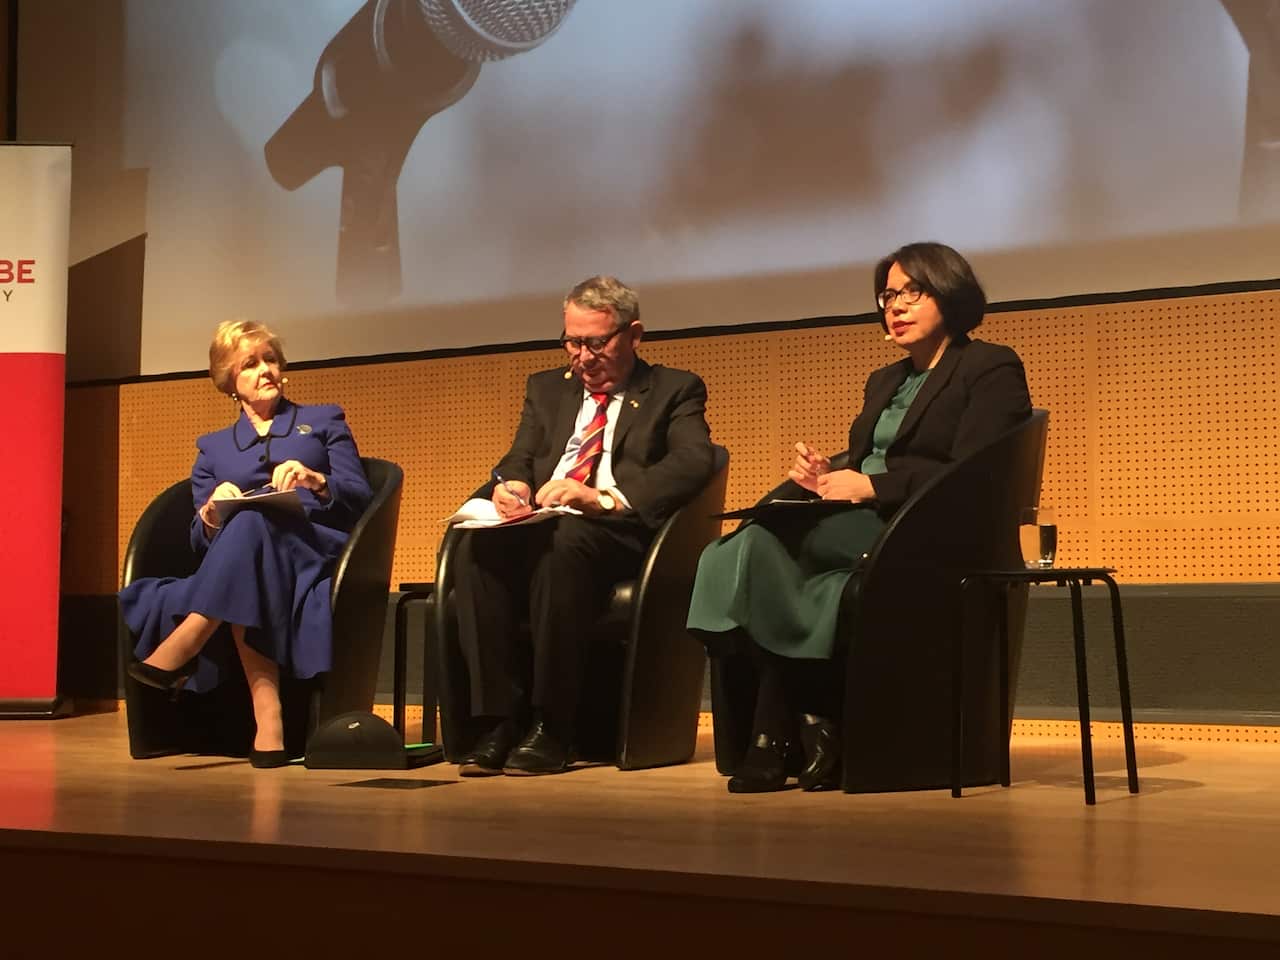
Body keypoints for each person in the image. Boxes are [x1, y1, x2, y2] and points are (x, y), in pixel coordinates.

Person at [687, 242, 1031, 793]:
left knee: (761, 548)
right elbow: (869, 456)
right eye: (888, 295)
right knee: (748, 547)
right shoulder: (885, 380)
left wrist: (872, 486)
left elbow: (974, 474)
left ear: (949, 292)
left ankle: (778, 734)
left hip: (919, 527)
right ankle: (807, 726)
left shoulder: (988, 366)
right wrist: (823, 477)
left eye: (912, 292)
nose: (895, 306)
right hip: (859, 518)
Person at [452, 275, 715, 777]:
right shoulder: (547, 388)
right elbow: (519, 457)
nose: (582, 357)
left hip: (619, 529)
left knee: (562, 544)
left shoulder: (674, 389)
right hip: (543, 522)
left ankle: (553, 725)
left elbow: (694, 461)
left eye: (596, 343)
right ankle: (500, 719)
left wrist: (603, 498)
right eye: (572, 342)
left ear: (633, 335)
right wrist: (511, 486)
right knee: (471, 546)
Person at [119, 320, 373, 768]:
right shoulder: (213, 449)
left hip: (313, 545)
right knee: (248, 525)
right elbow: (201, 540)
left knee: (252, 526)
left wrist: (315, 480)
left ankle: (189, 640)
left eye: (270, 360)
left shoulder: (323, 419)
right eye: (251, 364)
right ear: (230, 382)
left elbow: (358, 495)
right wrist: (213, 512)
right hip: (244, 557)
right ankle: (268, 721)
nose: (265, 371)